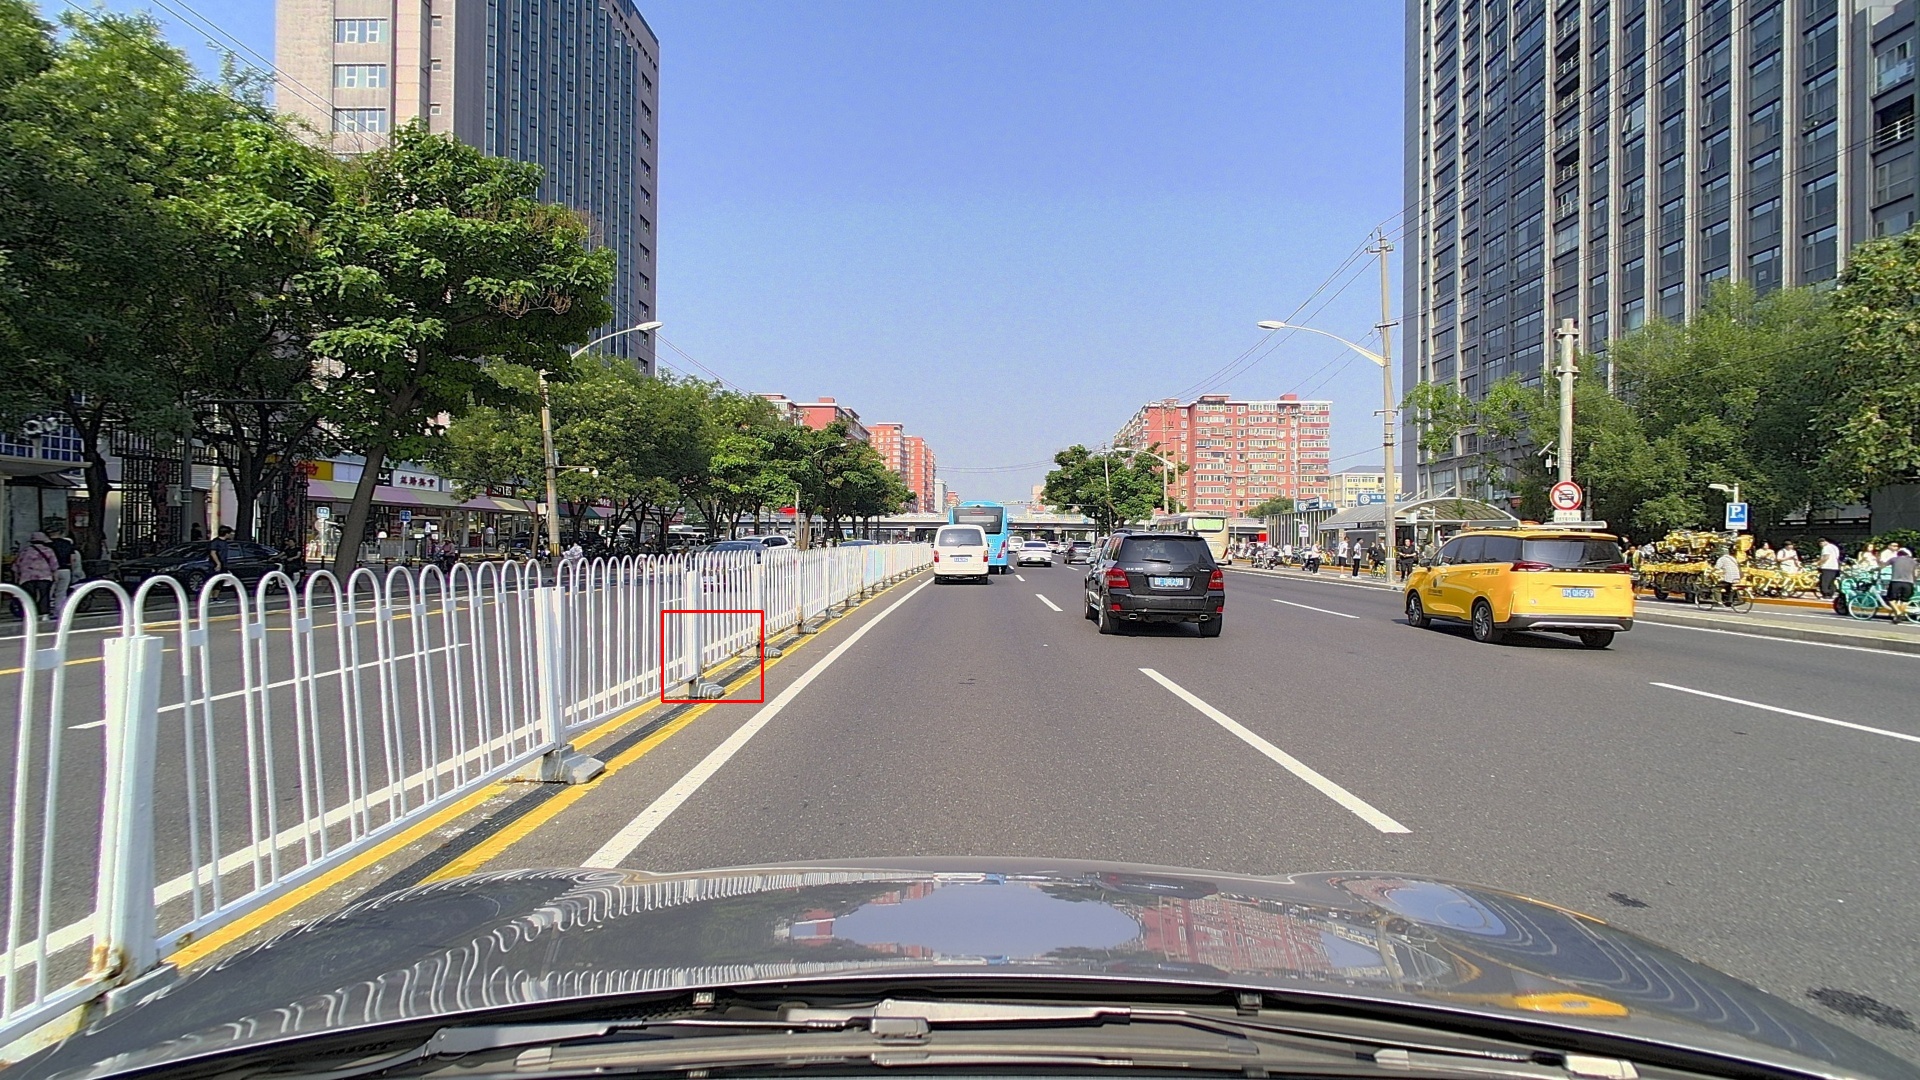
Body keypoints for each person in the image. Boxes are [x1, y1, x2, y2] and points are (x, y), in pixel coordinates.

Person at [11, 532, 59, 620]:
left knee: (29, 596)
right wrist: (55, 576)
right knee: (44, 595)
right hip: (45, 576)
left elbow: (16, 566)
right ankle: (44, 614)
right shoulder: (48, 550)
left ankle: (29, 613)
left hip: (27, 577)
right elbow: (54, 565)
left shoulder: (24, 551)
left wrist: (17, 578)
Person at [45, 526, 80, 615]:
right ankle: (59, 611)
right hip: (65, 570)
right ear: (60, 533)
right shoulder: (67, 543)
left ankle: (46, 610)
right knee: (61, 592)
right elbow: (73, 558)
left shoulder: (47, 545)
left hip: (51, 571)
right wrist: (73, 570)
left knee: (48, 592)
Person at [1887, 546, 1916, 623]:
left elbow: (1882, 565)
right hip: (1909, 583)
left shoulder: (1894, 559)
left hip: (1895, 581)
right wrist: (1914, 580)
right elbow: (1916, 572)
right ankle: (1898, 617)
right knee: (1905, 601)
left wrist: (1874, 569)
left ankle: (1898, 612)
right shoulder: (1913, 561)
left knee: (1891, 600)